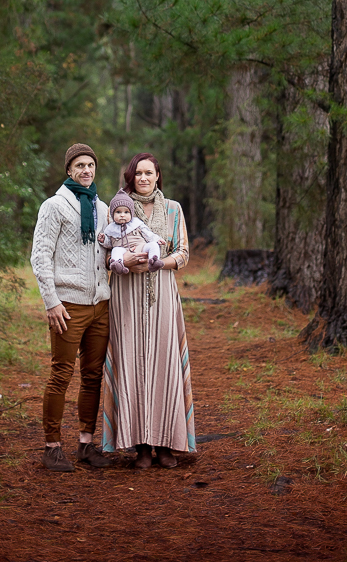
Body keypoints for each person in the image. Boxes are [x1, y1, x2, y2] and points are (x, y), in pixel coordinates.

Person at [102, 152, 196, 469]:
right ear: (131, 177)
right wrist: (125, 261)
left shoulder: (173, 209)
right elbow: (103, 254)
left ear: (157, 176)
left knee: (163, 364)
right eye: (137, 173)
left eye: (149, 173)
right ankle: (140, 445)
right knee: (133, 364)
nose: (143, 178)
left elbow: (183, 252)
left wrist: (160, 264)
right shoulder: (119, 207)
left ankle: (166, 443)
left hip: (163, 295)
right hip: (126, 295)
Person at [31, 143, 112, 472]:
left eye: (90, 165)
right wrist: (51, 301)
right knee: (61, 374)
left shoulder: (102, 208)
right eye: (79, 165)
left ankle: (85, 444)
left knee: (93, 376)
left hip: (99, 305)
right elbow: (40, 256)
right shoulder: (55, 206)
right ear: (69, 170)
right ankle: (52, 447)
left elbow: (108, 252)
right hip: (67, 305)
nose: (86, 170)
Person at [98, 191, 165, 274]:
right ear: (112, 214)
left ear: (131, 213)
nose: (122, 215)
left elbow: (147, 233)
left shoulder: (136, 223)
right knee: (115, 250)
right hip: (124, 251)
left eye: (126, 212)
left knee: (153, 245)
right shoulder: (110, 228)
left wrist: (157, 239)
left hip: (141, 247)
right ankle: (118, 265)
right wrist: (104, 240)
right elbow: (110, 244)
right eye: (118, 212)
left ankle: (154, 261)